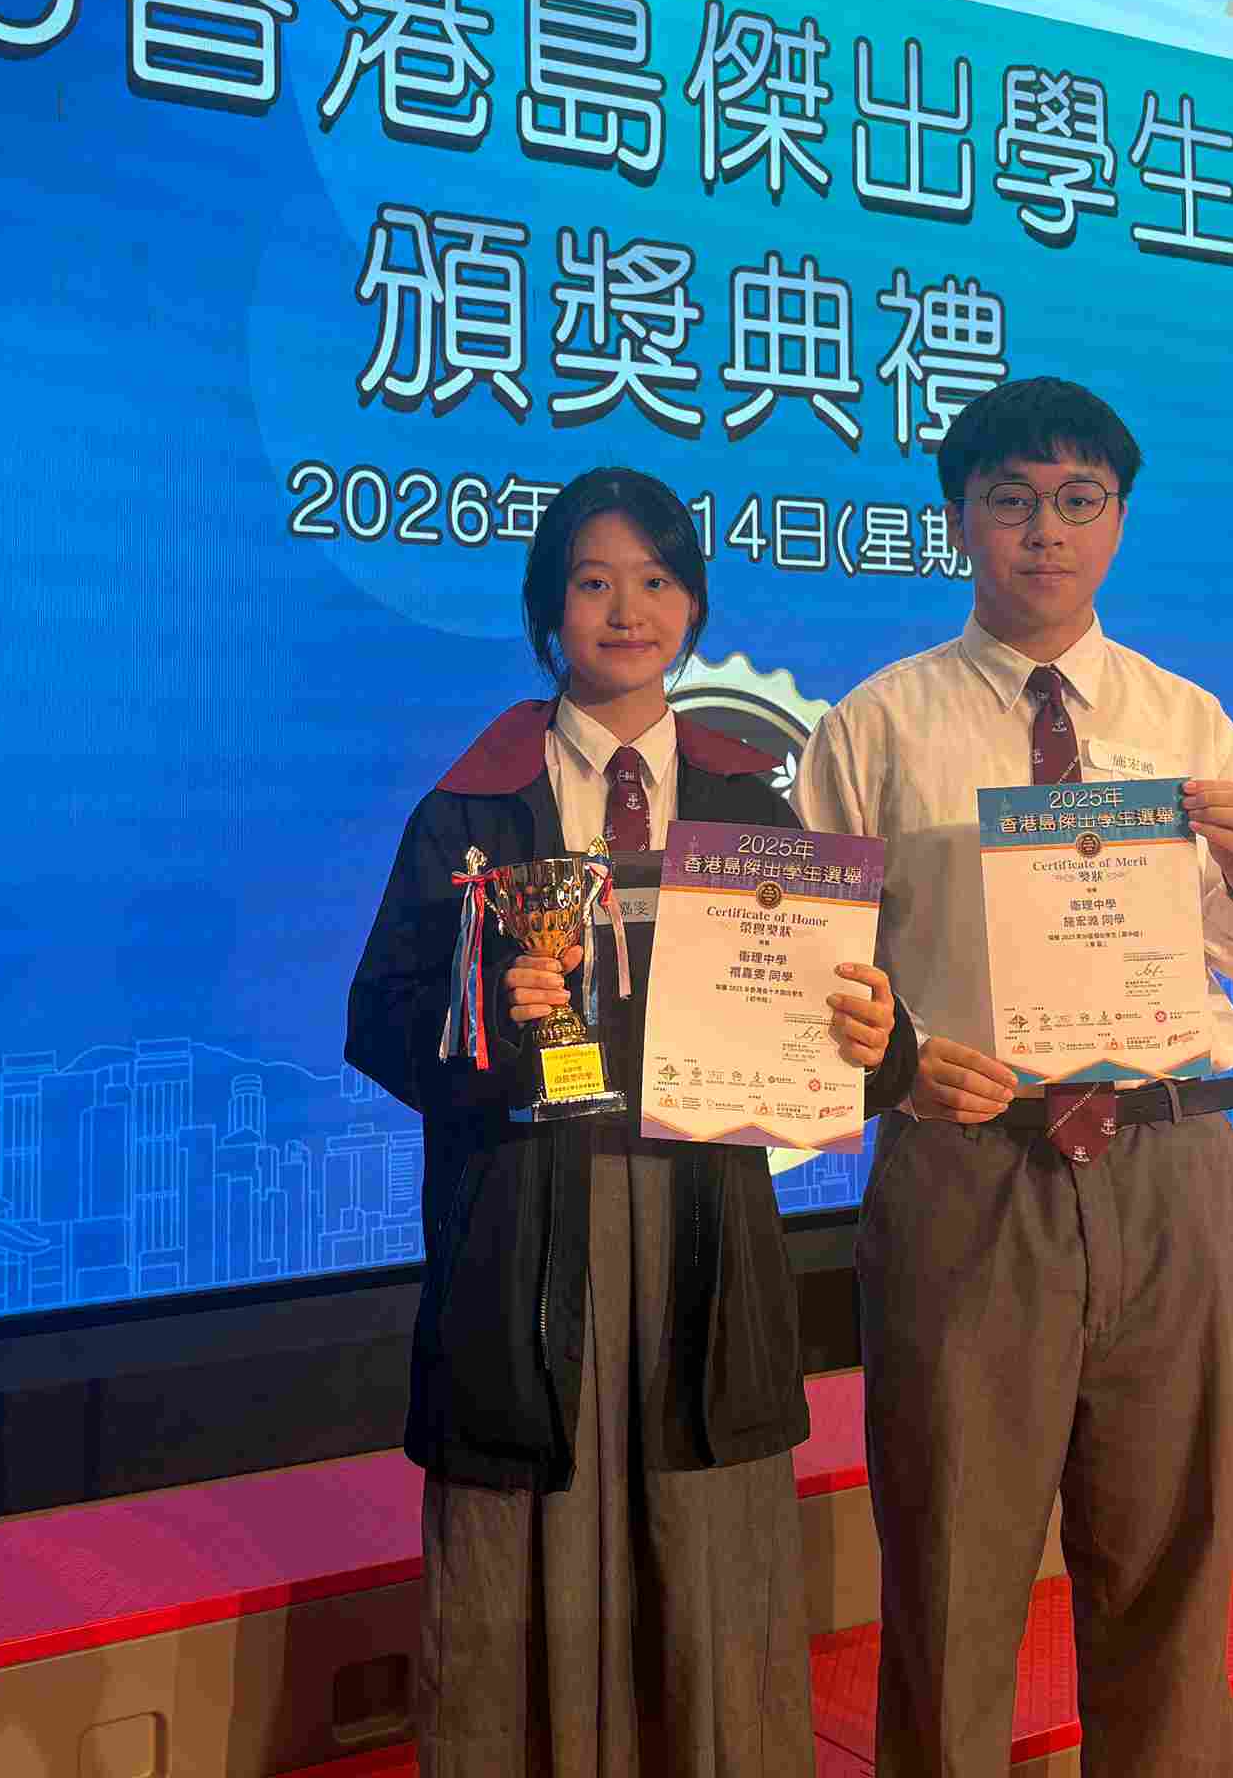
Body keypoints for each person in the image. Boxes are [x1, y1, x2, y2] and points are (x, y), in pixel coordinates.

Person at [348, 465, 915, 1778]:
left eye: (656, 581)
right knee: (514, 1591)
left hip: (702, 1230)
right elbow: (379, 1020)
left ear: (693, 607)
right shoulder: (472, 807)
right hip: (524, 1233)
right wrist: (487, 1013)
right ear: (546, 610)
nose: (626, 610)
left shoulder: (750, 805)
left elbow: (846, 1026)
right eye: (592, 582)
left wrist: (879, 1043)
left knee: (714, 1581)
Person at [793, 378, 1233, 1776]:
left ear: (1118, 522)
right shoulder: (876, 726)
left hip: (1173, 1167)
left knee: (1172, 1578)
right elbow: (806, 974)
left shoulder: (1187, 719)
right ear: (959, 519)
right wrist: (901, 1070)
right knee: (951, 1580)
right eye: (1011, 500)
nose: (1045, 530)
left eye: (1079, 501)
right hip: (973, 1173)